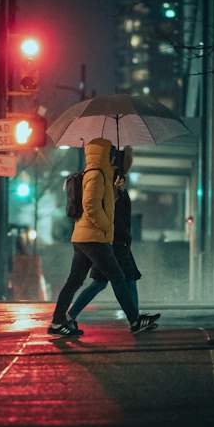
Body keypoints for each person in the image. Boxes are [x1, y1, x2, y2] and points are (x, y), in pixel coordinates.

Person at [47, 137, 159, 336]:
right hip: (94, 238)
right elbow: (91, 205)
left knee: (75, 281)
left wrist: (117, 191)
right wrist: (108, 226)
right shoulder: (96, 175)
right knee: (117, 277)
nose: (112, 157)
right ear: (104, 153)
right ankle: (135, 321)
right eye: (110, 153)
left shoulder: (99, 175)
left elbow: (105, 202)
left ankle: (58, 322)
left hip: (86, 236)